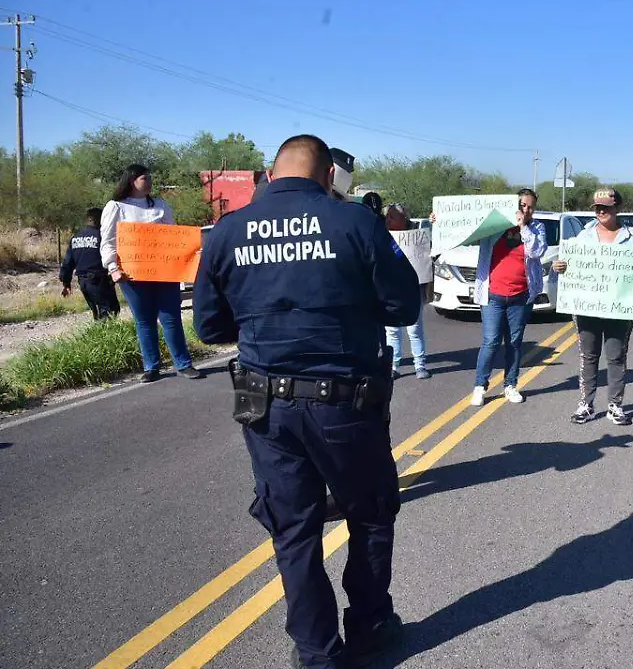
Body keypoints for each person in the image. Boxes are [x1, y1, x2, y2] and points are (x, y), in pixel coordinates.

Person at [192, 134, 422, 669]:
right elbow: (405, 304)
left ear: (270, 175)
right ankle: (368, 628)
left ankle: (317, 653)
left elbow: (208, 324)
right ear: (327, 177)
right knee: (368, 514)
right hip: (344, 401)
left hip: (260, 402)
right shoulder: (354, 223)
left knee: (293, 528)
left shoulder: (226, 231)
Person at [552, 188, 633, 426]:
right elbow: (569, 268)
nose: (601, 211)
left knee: (616, 357)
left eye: (606, 207)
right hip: (587, 308)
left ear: (618, 208)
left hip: (619, 310)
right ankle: (586, 404)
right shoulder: (583, 237)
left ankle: (615, 405)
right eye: (597, 208)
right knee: (588, 356)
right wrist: (560, 268)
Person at [437, 188, 547, 407]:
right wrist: (440, 221)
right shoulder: (494, 225)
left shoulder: (536, 227)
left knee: (514, 342)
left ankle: (510, 385)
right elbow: (465, 236)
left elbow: (537, 251)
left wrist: (523, 226)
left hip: (521, 295)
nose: (525, 209)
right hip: (493, 295)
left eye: (530, 206)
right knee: (490, 342)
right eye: (522, 205)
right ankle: (480, 386)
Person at [100, 164, 200, 383]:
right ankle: (151, 367)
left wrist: (189, 254)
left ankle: (183, 364)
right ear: (132, 180)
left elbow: (173, 237)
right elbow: (107, 242)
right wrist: (113, 268)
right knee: (144, 320)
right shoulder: (116, 207)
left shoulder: (160, 206)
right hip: (132, 275)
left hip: (164, 272)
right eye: (146, 178)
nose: (150, 182)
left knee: (171, 316)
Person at [383, 203, 431, 380]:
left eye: (392, 217)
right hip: (391, 289)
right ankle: (394, 366)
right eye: (387, 217)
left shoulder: (418, 236)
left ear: (404, 219)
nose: (388, 220)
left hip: (413, 288)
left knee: (414, 328)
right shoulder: (382, 235)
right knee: (392, 330)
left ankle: (420, 365)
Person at [60, 207, 120, 320]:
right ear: (100, 219)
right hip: (99, 281)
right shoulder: (102, 237)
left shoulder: (76, 238)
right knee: (109, 311)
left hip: (83, 282)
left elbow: (67, 263)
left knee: (98, 313)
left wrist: (66, 283)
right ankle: (104, 336)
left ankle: (99, 334)